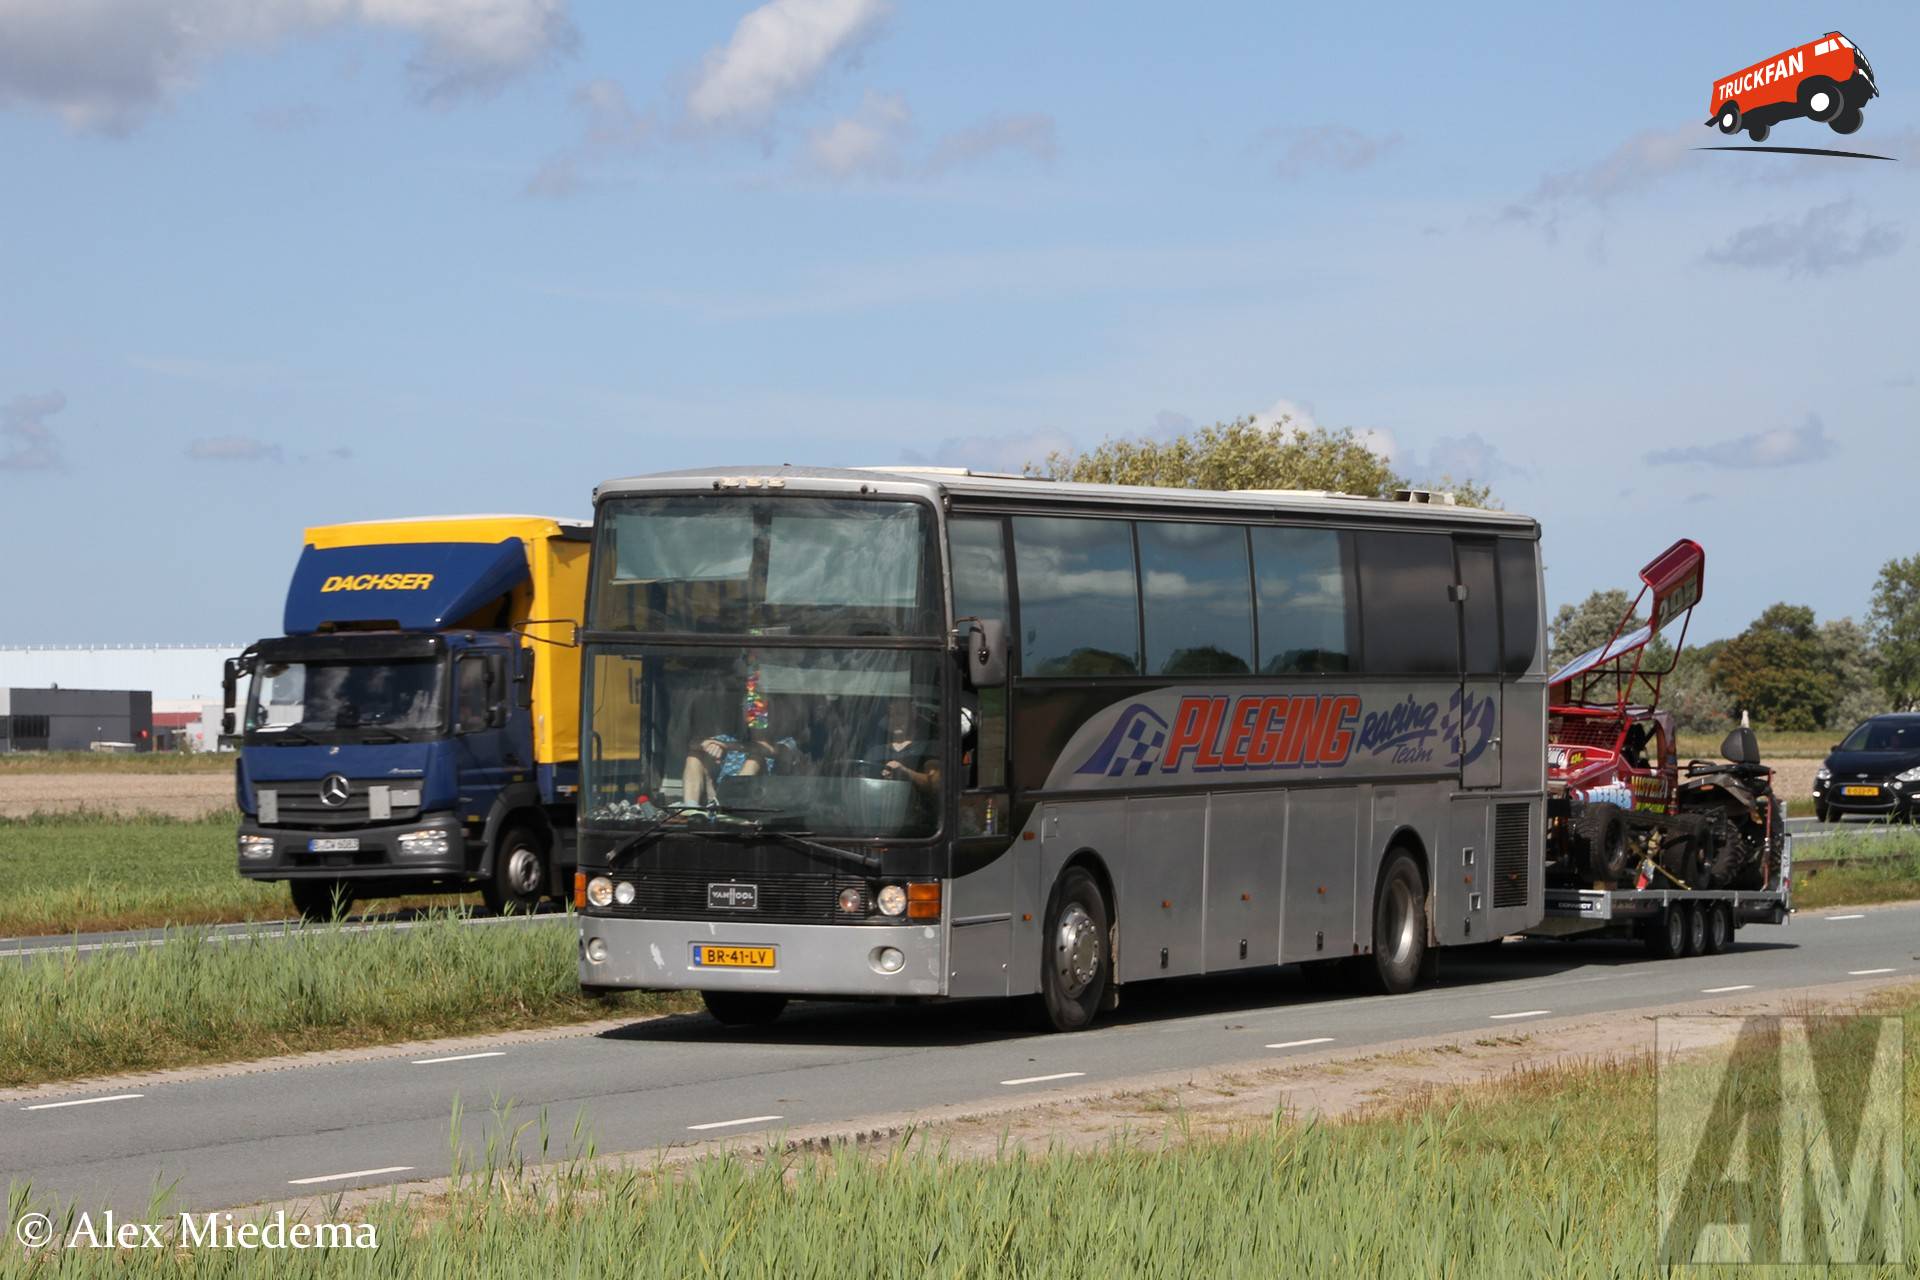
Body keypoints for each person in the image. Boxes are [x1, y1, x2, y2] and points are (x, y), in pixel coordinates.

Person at [878, 699, 939, 794]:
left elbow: (935, 784)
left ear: (913, 714)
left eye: (900, 714)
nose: (895, 720)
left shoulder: (929, 748)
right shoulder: (875, 751)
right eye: (890, 716)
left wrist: (906, 772)